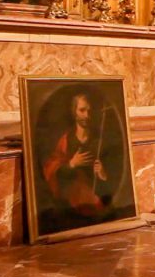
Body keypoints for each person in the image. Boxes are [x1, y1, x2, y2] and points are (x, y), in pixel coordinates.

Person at [41, 94, 111, 224]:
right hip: (72, 206)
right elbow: (51, 170)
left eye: (89, 111)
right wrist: (71, 164)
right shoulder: (66, 140)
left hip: (98, 206)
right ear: (74, 112)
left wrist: (103, 174)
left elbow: (113, 180)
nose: (86, 115)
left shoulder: (100, 140)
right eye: (82, 110)